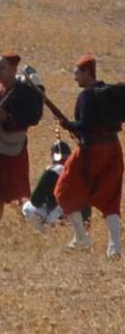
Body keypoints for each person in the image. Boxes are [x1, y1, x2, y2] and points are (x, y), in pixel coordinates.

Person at [54, 55, 123, 257]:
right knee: (111, 198)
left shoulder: (86, 96)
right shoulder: (111, 93)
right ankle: (114, 247)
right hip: (112, 148)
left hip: (90, 151)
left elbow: (85, 126)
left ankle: (81, 237)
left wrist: (67, 125)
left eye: (77, 73)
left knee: (64, 190)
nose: (75, 78)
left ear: (86, 72)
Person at [0, 52, 44, 222]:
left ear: (14, 70)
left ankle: (27, 221)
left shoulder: (24, 92)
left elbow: (32, 117)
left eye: (2, 68)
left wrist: (7, 118)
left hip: (14, 145)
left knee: (18, 190)